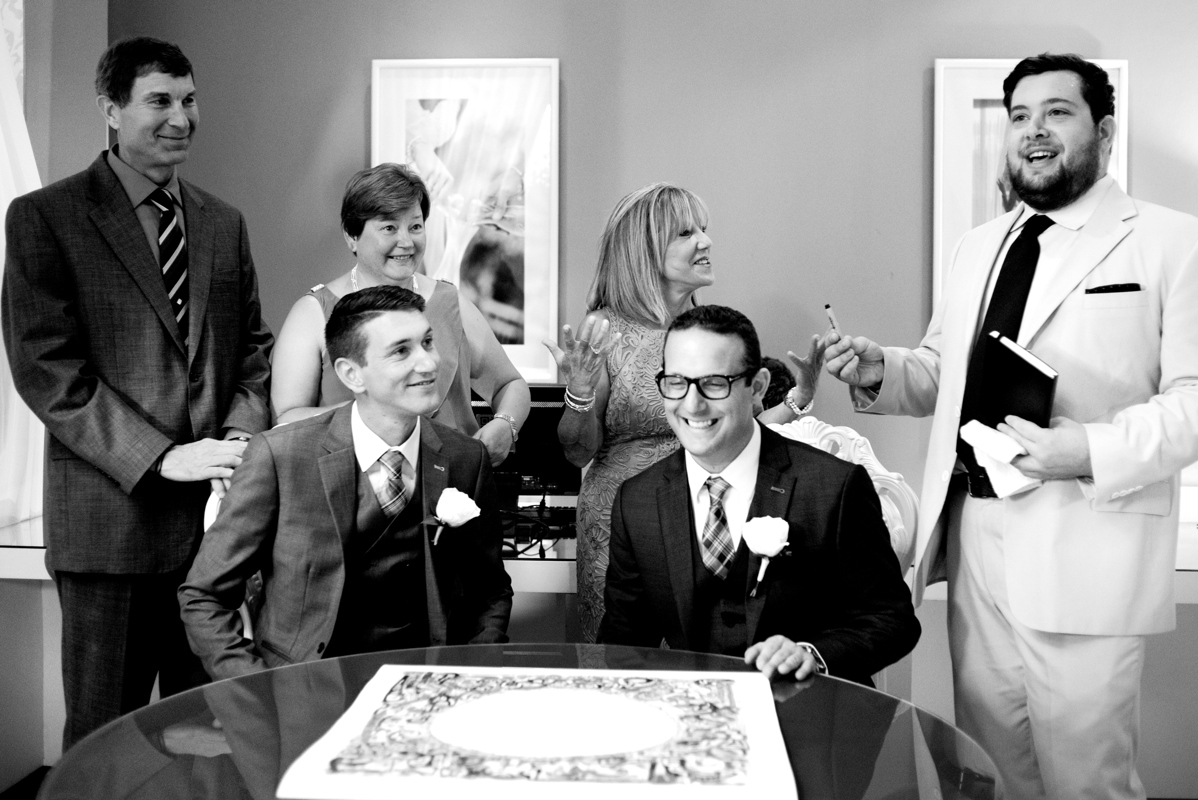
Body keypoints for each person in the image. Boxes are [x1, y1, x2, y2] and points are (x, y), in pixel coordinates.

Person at [823, 54, 1198, 800]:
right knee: (984, 772)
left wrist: (1081, 451)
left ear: (1106, 130)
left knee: (1087, 781)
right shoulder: (979, 246)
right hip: (977, 546)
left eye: (1057, 112)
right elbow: (941, 371)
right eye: (1020, 116)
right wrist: (881, 369)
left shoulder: (1171, 242)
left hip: (1089, 547)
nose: (1034, 132)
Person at [0, 37, 273, 749]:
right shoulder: (43, 218)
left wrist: (240, 439)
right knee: (105, 741)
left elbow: (252, 350)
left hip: (214, 536)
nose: (180, 117)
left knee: (212, 736)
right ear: (111, 110)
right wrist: (163, 458)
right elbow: (47, 371)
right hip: (107, 531)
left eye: (188, 100)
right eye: (159, 101)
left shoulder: (223, 221)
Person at [180, 286, 512, 680]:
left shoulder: (465, 458)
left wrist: (470, 677)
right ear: (351, 374)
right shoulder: (280, 457)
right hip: (304, 687)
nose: (428, 363)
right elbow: (204, 596)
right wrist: (255, 689)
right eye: (401, 351)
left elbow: (489, 592)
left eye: (427, 342)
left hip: (427, 683)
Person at [545, 183, 825, 642]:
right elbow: (578, 452)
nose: (705, 241)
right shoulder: (604, 329)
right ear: (644, 252)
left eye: (704, 229)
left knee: (710, 650)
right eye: (685, 233)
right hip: (622, 520)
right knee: (624, 659)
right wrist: (578, 391)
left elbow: (742, 433)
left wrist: (800, 398)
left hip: (709, 513)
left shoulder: (711, 329)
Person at [598, 305, 919, 685]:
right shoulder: (638, 500)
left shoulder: (834, 486)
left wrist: (811, 655)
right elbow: (624, 641)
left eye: (715, 383)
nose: (692, 404)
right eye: (676, 382)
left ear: (759, 386)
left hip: (812, 718)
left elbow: (892, 620)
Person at [269, 162, 529, 467]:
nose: (406, 242)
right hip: (348, 491)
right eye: (389, 228)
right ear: (352, 236)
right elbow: (287, 420)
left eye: (415, 226)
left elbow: (510, 385)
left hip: (453, 487)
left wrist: (505, 425)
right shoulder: (313, 312)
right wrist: (376, 414)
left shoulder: (451, 302)